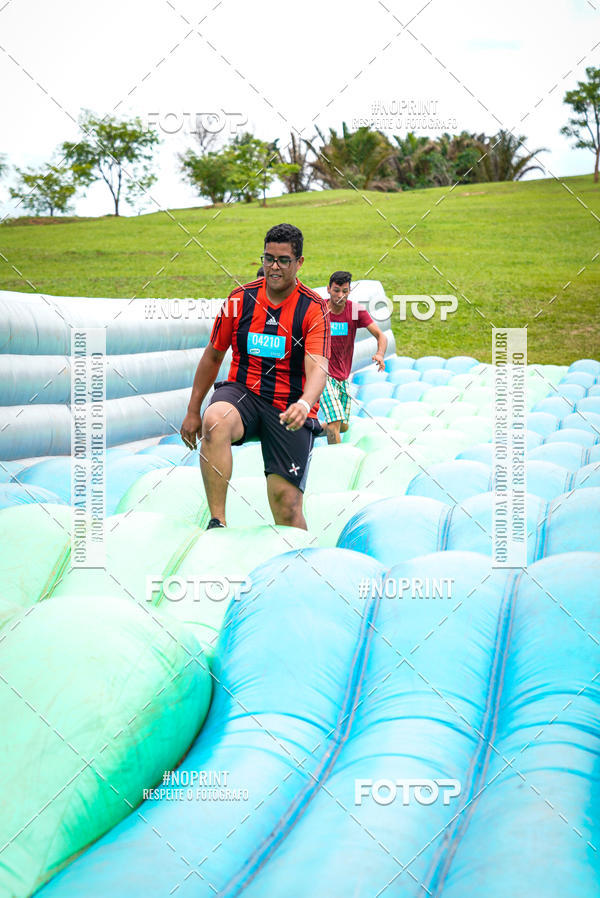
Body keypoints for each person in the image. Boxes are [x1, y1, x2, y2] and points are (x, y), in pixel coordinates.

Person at [180, 223, 330, 530]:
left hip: (290, 406)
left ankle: (297, 560)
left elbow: (318, 366)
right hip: (243, 394)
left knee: (286, 507)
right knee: (215, 419)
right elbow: (213, 354)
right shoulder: (240, 299)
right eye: (268, 258)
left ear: (299, 262)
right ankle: (217, 521)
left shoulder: (314, 308)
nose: (274, 267)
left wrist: (305, 402)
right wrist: (193, 410)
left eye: (283, 260)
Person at [320, 270, 387, 445]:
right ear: (328, 289)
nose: (340, 295)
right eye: (336, 290)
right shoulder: (319, 311)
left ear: (349, 291)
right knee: (334, 422)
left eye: (344, 291)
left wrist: (380, 354)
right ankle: (337, 462)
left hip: (343, 375)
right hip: (322, 373)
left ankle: (311, 429)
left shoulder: (355, 311)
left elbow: (381, 335)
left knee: (343, 426)